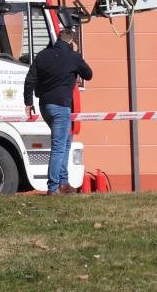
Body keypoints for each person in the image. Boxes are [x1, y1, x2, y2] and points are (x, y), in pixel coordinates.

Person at [24, 28, 93, 195]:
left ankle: (63, 181)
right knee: (59, 146)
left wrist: (28, 102)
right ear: (71, 41)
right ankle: (53, 187)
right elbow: (88, 74)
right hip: (61, 106)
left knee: (65, 142)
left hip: (45, 106)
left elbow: (30, 79)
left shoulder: (43, 55)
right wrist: (76, 56)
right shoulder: (73, 57)